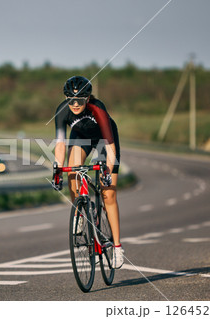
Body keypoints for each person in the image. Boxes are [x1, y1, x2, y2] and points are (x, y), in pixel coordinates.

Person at [52, 75, 124, 269]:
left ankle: (117, 247)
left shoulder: (97, 108)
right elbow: (60, 144)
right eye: (70, 100)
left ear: (88, 98)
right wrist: (57, 167)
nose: (75, 104)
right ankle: (80, 214)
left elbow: (110, 148)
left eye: (80, 100)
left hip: (104, 140)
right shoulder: (62, 111)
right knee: (72, 173)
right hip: (80, 138)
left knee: (108, 193)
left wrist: (107, 171)